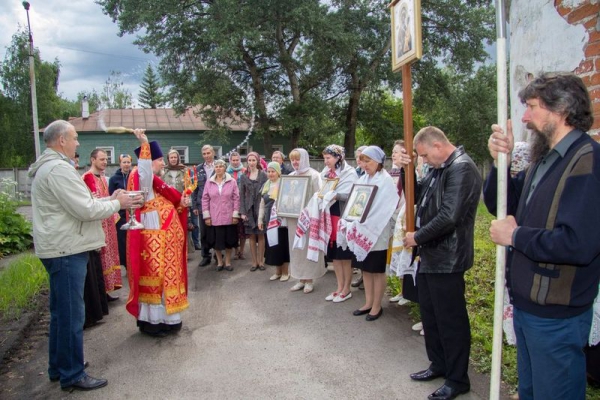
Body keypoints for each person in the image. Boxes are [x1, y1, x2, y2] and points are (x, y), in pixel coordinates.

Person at [484, 72, 600, 400]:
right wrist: (500, 164)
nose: (524, 117)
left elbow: (578, 244)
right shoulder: (544, 159)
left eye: (532, 107)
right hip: (529, 308)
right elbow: (501, 205)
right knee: (532, 392)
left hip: (556, 315)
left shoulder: (588, 162)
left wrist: (516, 236)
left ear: (560, 109)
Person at [29, 119, 140, 391]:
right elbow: (85, 210)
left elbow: (85, 204)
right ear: (62, 140)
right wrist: (118, 203)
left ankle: (59, 366)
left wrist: (110, 198)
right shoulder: (58, 170)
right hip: (66, 249)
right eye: (75, 137)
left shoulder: (54, 167)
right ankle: (72, 373)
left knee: (61, 312)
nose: (78, 142)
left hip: (61, 246)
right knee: (71, 315)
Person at [403, 126, 482, 400]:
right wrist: (407, 170)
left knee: (451, 321)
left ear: (437, 146)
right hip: (430, 255)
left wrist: (417, 237)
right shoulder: (439, 168)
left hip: (448, 259)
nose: (423, 161)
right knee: (430, 315)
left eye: (424, 155)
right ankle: (439, 364)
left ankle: (457, 379)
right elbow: (418, 195)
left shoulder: (461, 168)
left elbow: (449, 216)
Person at [127, 131, 190, 337]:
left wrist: (182, 205)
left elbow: (172, 201)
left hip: (165, 240)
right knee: (156, 278)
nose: (164, 164)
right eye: (161, 160)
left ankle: (169, 319)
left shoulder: (154, 180)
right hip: (154, 237)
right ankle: (154, 322)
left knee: (166, 279)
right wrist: (144, 144)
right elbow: (145, 172)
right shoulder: (141, 175)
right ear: (150, 160)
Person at [338, 146, 399, 321]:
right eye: (362, 161)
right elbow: (356, 203)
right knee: (365, 268)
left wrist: (365, 221)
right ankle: (368, 302)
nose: (364, 165)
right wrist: (351, 218)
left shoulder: (385, 180)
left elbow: (385, 207)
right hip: (361, 230)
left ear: (378, 162)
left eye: (368, 161)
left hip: (377, 231)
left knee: (377, 270)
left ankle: (377, 306)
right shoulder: (363, 179)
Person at [82, 150, 122, 298]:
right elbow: (92, 203)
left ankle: (107, 288)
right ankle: (101, 291)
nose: (105, 162)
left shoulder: (104, 178)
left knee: (110, 255)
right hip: (99, 223)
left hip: (108, 220)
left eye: (106, 159)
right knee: (103, 256)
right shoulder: (87, 178)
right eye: (101, 159)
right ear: (93, 160)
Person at [321, 145, 358, 303]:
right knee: (335, 256)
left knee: (344, 256)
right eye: (324, 158)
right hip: (330, 216)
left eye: (328, 158)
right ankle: (339, 287)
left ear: (338, 157)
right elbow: (322, 190)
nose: (326, 161)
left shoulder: (350, 173)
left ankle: (347, 289)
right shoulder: (325, 173)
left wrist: (336, 195)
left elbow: (354, 193)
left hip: (343, 218)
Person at [286, 148, 324, 294]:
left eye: (298, 159)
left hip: (309, 219)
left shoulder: (314, 175)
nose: (295, 162)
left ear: (304, 159)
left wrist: (310, 211)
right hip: (293, 220)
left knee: (308, 247)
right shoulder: (290, 176)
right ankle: (300, 278)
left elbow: (319, 197)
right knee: (296, 248)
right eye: (293, 159)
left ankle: (309, 279)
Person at [202, 159, 240, 271]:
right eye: (216, 166)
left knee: (229, 240)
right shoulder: (209, 182)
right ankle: (219, 262)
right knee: (216, 241)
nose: (218, 168)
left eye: (220, 166)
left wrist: (235, 214)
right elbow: (205, 199)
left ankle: (228, 262)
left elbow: (236, 198)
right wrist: (207, 216)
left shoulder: (232, 181)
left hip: (229, 216)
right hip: (214, 217)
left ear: (225, 168)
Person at [258, 162, 290, 281]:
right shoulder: (266, 185)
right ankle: (277, 272)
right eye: (269, 171)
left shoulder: (284, 184)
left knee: (282, 246)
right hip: (269, 221)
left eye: (273, 171)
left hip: (281, 222)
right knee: (273, 246)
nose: (270, 174)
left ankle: (286, 272)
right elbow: (262, 205)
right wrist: (260, 220)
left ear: (278, 172)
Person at [240, 152, 268, 271]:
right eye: (249, 160)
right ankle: (254, 262)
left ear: (257, 161)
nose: (251, 163)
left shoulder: (263, 175)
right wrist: (242, 212)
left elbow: (267, 192)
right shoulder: (244, 176)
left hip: (260, 208)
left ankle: (261, 261)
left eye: (253, 160)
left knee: (261, 235)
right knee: (251, 235)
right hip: (248, 209)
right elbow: (241, 195)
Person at [192, 145, 216, 266]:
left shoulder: (219, 166)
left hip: (217, 205)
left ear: (213, 153)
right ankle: (206, 256)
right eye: (204, 154)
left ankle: (218, 255)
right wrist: (195, 206)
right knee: (204, 231)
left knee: (217, 230)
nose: (207, 156)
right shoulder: (198, 169)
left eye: (208, 153)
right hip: (202, 205)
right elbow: (194, 188)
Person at [108, 153, 133, 270]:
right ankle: (126, 263)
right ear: (120, 164)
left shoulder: (134, 176)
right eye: (124, 162)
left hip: (133, 212)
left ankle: (133, 261)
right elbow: (111, 195)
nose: (126, 164)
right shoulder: (114, 179)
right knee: (122, 240)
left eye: (128, 162)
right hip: (121, 214)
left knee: (133, 238)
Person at [351, 145, 368, 288]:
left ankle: (365, 276)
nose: (358, 159)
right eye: (357, 156)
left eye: (361, 156)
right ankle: (362, 275)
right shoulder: (355, 172)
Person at [227, 151, 247, 260]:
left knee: (242, 229)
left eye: (237, 160)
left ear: (240, 160)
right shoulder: (226, 172)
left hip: (242, 203)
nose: (235, 162)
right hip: (230, 204)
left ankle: (242, 251)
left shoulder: (244, 171)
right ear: (230, 161)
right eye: (233, 160)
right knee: (233, 229)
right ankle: (235, 250)